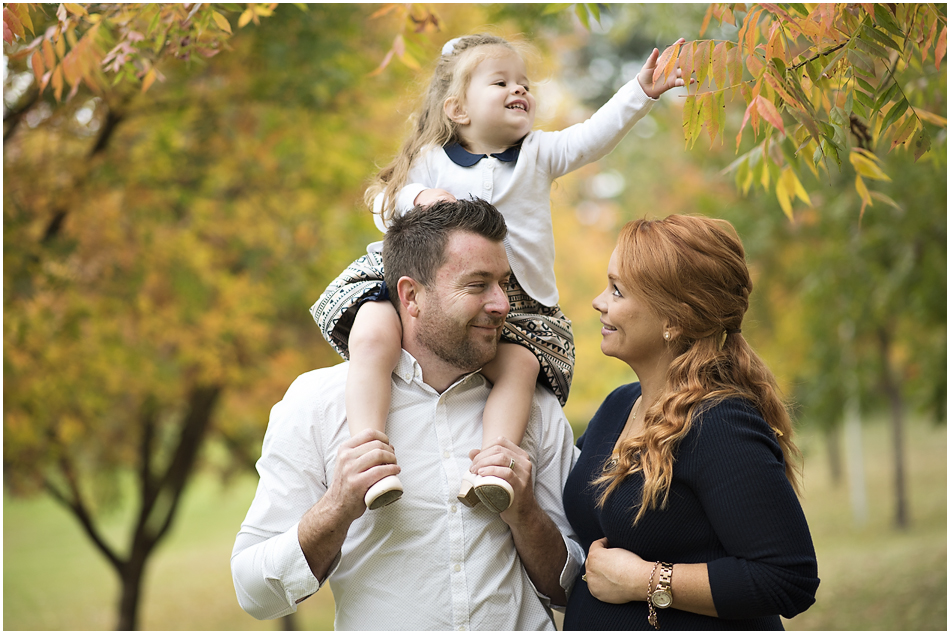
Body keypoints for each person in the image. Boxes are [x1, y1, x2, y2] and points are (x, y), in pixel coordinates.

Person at [311, 33, 687, 512]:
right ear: (458, 110)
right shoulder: (428, 162)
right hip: (421, 285)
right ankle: (368, 453)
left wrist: (640, 91)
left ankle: (493, 468)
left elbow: (593, 135)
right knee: (372, 334)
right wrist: (419, 199)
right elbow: (383, 201)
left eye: (525, 83)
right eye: (502, 82)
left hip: (520, 301)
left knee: (520, 370)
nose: (520, 90)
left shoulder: (539, 153)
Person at [232, 199, 585, 630]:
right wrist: (338, 506)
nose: (501, 304)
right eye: (477, 285)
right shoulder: (316, 403)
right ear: (411, 295)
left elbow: (579, 590)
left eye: (503, 284)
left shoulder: (536, 407)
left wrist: (525, 513)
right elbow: (254, 592)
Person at [561, 215, 820, 630]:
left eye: (617, 290)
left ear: (674, 319)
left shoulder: (718, 424)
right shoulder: (616, 407)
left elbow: (788, 578)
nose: (599, 301)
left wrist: (642, 581)